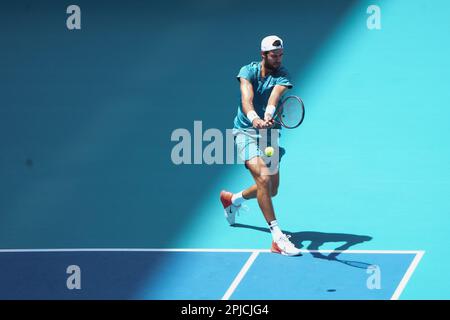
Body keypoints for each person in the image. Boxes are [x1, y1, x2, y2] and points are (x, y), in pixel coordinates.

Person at [220, 35, 301, 256]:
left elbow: (274, 98)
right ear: (263, 55)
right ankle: (277, 238)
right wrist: (256, 119)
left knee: (271, 189)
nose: (278, 59)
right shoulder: (248, 71)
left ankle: (232, 200)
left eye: (281, 55)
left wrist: (268, 115)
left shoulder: (283, 75)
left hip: (270, 134)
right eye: (274, 55)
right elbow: (247, 98)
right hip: (245, 131)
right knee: (263, 179)